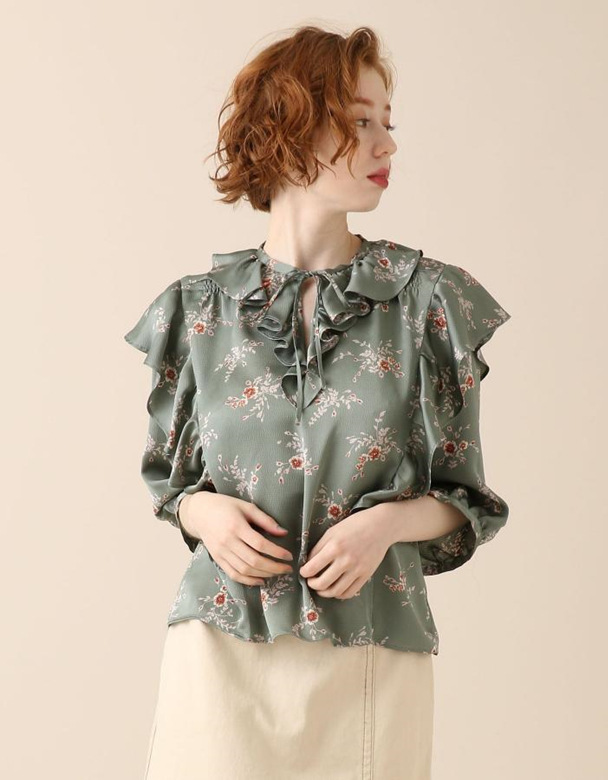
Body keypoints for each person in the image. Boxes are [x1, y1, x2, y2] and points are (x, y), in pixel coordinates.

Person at [124, 24, 512, 780]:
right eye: (360, 121)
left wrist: (385, 525)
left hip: (373, 648)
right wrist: (205, 514)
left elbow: (466, 499)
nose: (386, 144)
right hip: (221, 648)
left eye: (387, 122)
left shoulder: (427, 303)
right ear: (291, 126)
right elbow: (170, 485)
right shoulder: (197, 311)